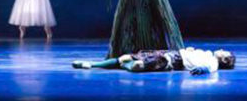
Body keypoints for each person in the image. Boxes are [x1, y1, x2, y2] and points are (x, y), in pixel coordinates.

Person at [72, 48, 236, 75]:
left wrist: (201, 70)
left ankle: (125, 66)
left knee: (137, 65)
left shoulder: (213, 62)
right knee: (125, 57)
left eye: (224, 52)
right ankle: (91, 64)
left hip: (171, 61)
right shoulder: (207, 53)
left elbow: (207, 68)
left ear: (224, 59)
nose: (221, 49)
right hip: (170, 53)